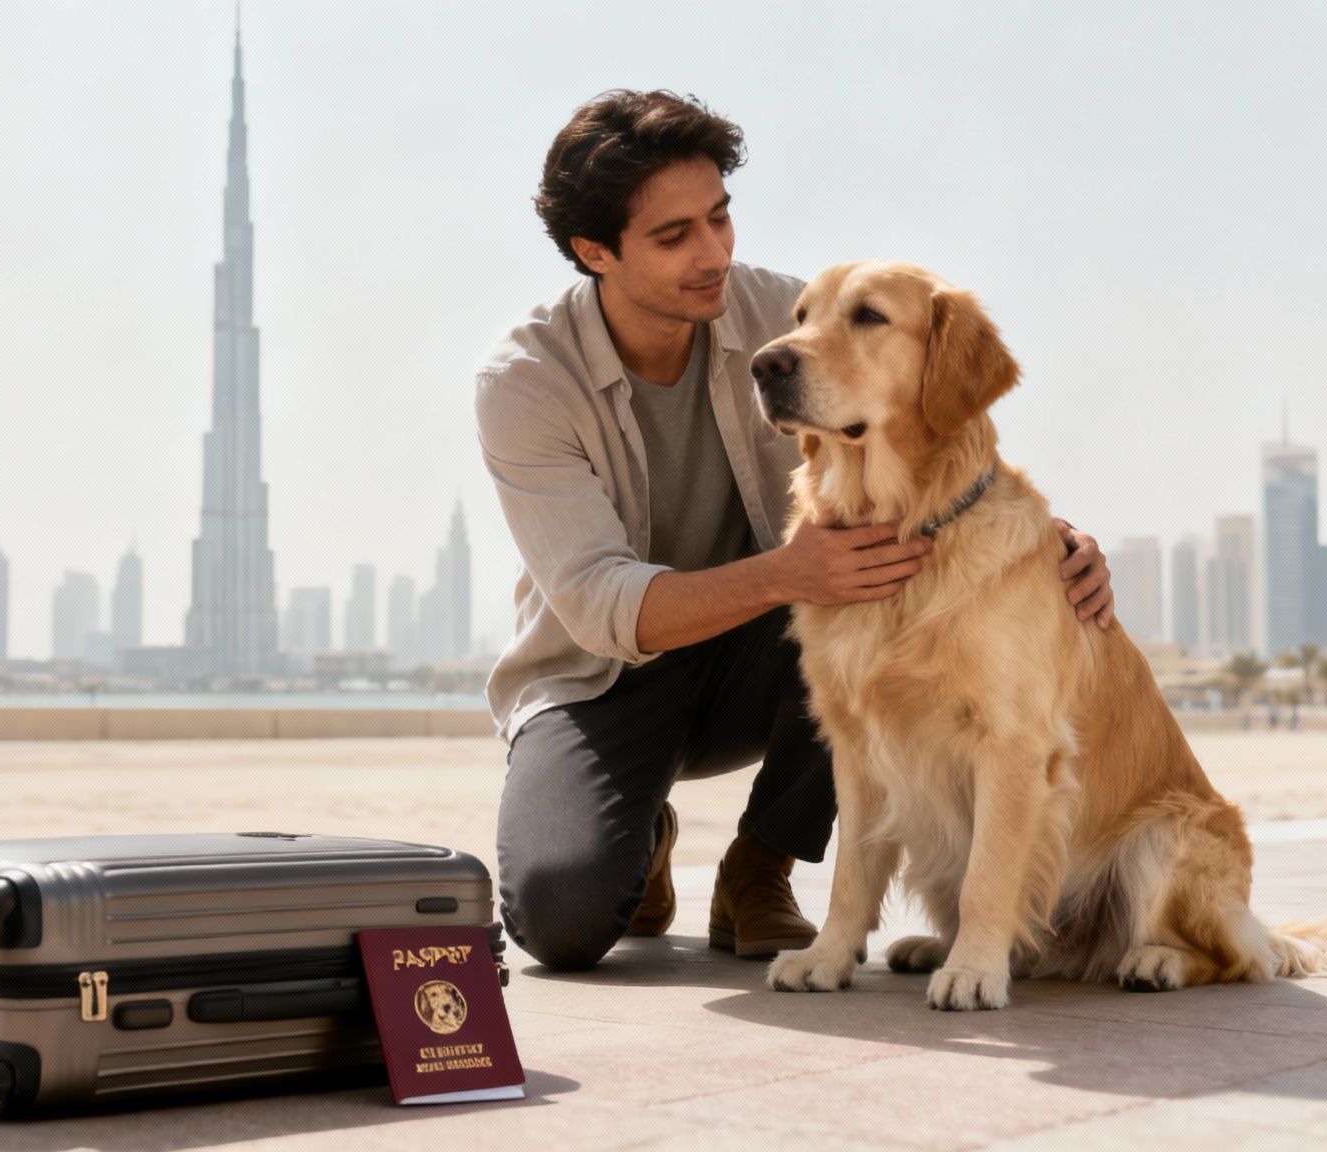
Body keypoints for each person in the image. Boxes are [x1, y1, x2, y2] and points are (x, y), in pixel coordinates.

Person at [474, 89, 1117, 971]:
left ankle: (760, 865)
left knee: (873, 601)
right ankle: (640, 834)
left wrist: (1046, 538)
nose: (714, 256)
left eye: (720, 219)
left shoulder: (790, 316)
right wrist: (787, 574)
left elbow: (930, 439)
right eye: (674, 237)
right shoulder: (524, 382)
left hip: (767, 649)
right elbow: (597, 605)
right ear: (595, 252)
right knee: (561, 920)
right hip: (601, 676)